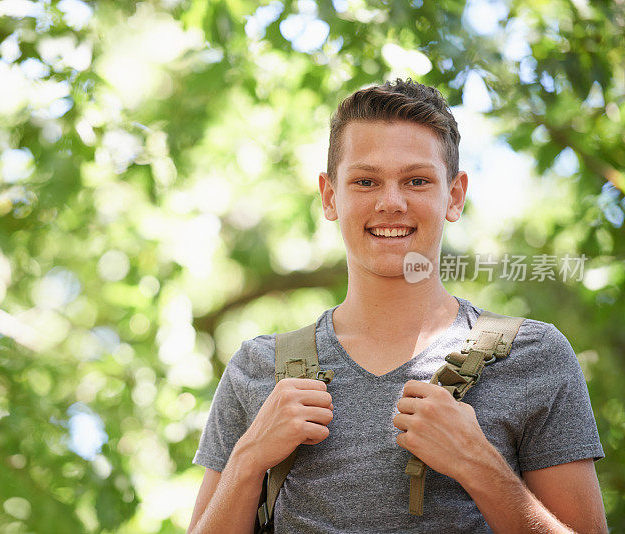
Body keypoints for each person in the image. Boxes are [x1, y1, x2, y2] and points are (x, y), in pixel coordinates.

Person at [187, 79, 607, 533]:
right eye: (366, 181)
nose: (391, 202)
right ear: (330, 197)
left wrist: (479, 465)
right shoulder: (257, 368)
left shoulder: (535, 355)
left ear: (455, 195)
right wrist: (248, 459)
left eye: (417, 180)